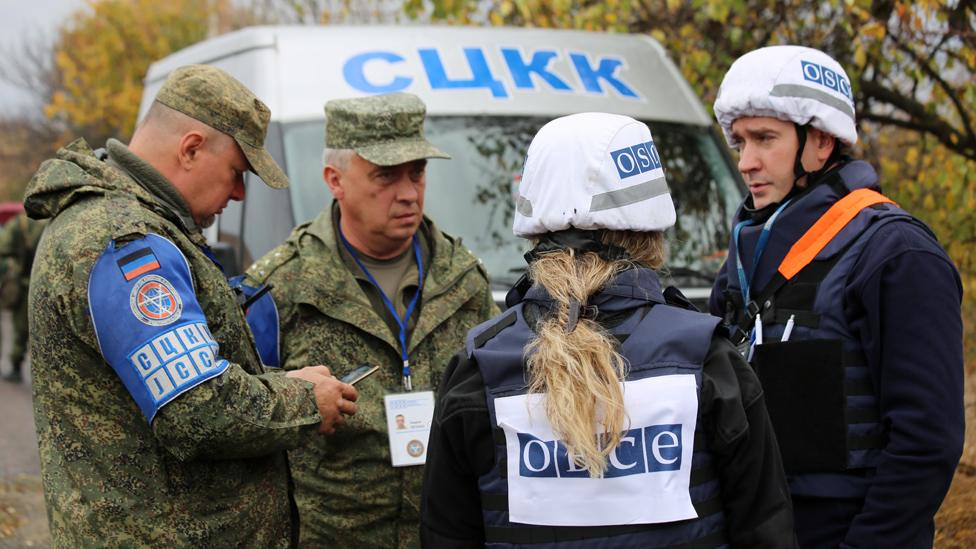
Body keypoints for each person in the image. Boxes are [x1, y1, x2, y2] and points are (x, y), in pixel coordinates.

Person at [420, 112, 798, 548]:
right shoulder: (707, 359)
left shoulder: (479, 368)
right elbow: (766, 528)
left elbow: (444, 534)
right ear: (652, 230)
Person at [25, 64, 359, 547]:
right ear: (191, 148)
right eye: (237, 173)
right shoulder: (124, 241)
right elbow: (197, 409)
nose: (240, 193)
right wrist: (305, 400)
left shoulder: (132, 229)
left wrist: (277, 383)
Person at [709, 45, 964, 547]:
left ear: (821, 142)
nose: (746, 161)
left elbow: (926, 442)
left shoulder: (896, 253)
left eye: (764, 139)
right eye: (739, 141)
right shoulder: (743, 255)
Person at [243, 92, 497, 547]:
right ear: (334, 180)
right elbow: (244, 418)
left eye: (417, 173)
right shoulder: (280, 288)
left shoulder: (465, 283)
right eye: (385, 175)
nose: (408, 192)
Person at [0, 211, 46, 382]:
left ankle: (16, 366)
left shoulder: (17, 223)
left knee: (20, 327)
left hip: (23, 283)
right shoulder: (51, 223)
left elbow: (4, 249)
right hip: (44, 284)